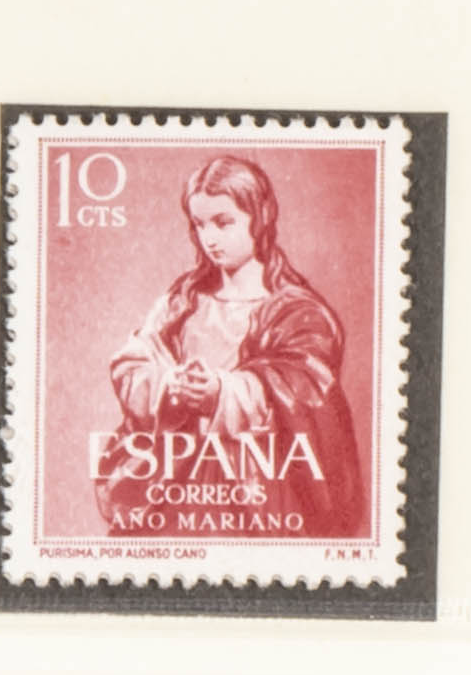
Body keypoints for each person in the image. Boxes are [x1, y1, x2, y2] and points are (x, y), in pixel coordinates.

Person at [100, 155, 366, 538]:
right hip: (178, 481)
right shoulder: (183, 300)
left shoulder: (297, 312)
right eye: (199, 224)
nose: (210, 238)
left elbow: (304, 389)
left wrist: (221, 393)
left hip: (255, 489)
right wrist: (169, 386)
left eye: (224, 223)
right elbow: (133, 361)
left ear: (259, 217)